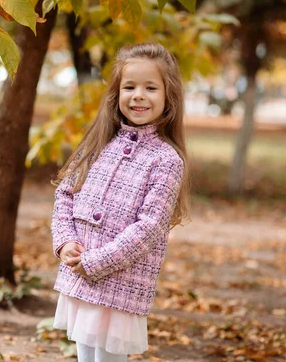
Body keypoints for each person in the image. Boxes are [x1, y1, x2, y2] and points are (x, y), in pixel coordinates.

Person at [50, 42, 190, 362]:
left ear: (169, 97)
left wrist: (98, 261)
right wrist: (65, 241)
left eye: (150, 88)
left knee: (109, 357)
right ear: (117, 94)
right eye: (130, 87)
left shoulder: (166, 160)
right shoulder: (99, 143)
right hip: (80, 272)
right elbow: (65, 195)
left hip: (120, 282)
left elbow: (150, 227)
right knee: (85, 354)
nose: (138, 95)